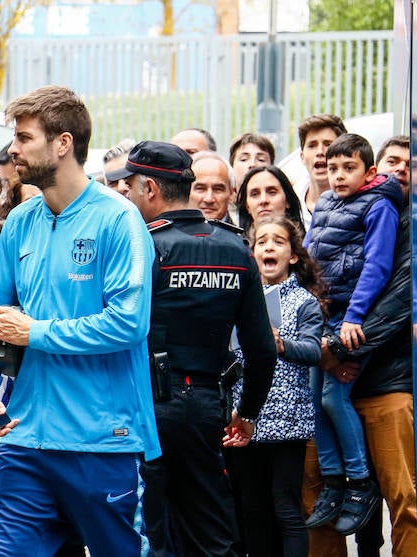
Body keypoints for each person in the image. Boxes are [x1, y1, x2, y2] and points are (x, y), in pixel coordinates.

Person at [0, 86, 159, 556]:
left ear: (62, 143)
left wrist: (35, 333)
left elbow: (129, 324)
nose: (13, 148)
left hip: (102, 442)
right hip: (23, 439)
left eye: (24, 137)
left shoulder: (119, 220)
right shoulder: (18, 222)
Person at [119, 140, 276, 556]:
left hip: (147, 406)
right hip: (209, 407)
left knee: (152, 529)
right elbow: (261, 349)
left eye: (130, 186)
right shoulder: (235, 246)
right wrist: (248, 414)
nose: (126, 195)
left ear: (150, 188)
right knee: (210, 527)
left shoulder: (145, 245)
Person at [309, 135, 417, 556]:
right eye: (396, 159)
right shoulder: (333, 206)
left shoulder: (398, 215)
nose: (403, 168)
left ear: (366, 172)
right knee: (320, 407)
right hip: (333, 338)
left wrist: (342, 347)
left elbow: (394, 296)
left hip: (387, 378)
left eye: (413, 163)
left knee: (402, 499)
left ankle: (353, 482)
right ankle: (342, 481)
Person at [228, 216, 325, 557]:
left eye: (278, 241)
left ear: (294, 256)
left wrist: (282, 345)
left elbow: (314, 350)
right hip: (245, 419)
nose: (269, 247)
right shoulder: (238, 299)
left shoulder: (303, 301)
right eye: (261, 242)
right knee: (253, 510)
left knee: (286, 510)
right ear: (252, 254)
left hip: (287, 423)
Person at [295, 114, 347, 229]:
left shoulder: (359, 204)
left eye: (328, 144)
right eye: (312, 145)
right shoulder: (288, 204)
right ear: (302, 156)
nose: (320, 152)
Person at [235, 165, 305, 236]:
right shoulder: (234, 246)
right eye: (255, 194)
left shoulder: (311, 244)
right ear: (247, 206)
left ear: (288, 200)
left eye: (272, 192)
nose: (263, 200)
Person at [189, 151, 237, 223]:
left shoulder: (240, 234)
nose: (209, 199)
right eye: (200, 189)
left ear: (231, 194)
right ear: (185, 192)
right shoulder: (168, 233)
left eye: (218, 189)